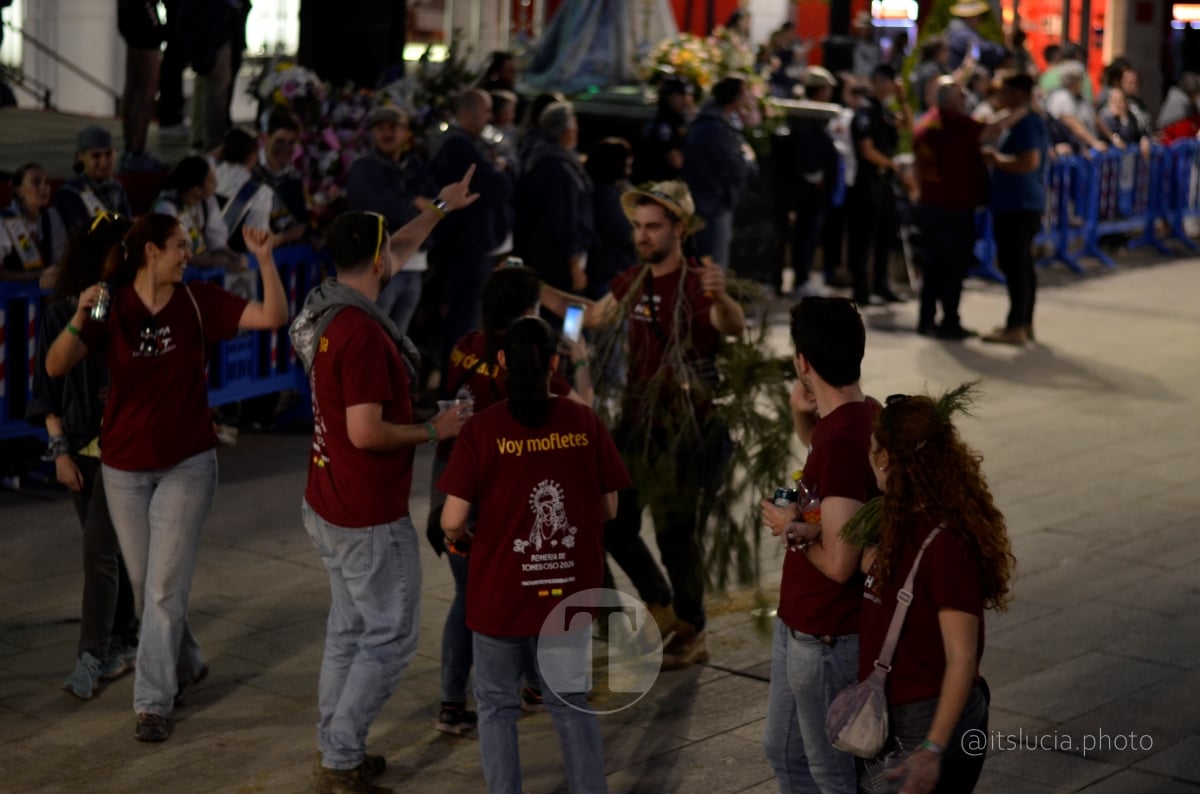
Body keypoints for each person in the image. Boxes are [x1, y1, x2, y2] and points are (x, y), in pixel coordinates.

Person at [44, 215, 287, 743]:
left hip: (187, 464)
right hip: (124, 468)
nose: (188, 254)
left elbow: (272, 316)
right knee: (146, 586)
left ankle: (152, 703)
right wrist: (80, 316)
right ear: (151, 251)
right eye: (180, 246)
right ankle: (190, 660)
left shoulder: (199, 299)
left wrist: (265, 260)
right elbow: (56, 366)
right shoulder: (112, 303)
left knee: (160, 590)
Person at [288, 167, 478, 794]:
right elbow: (366, 432)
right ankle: (341, 756)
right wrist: (436, 430)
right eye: (390, 250)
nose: (399, 253)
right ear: (376, 260)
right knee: (392, 638)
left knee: (348, 631)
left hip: (327, 501)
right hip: (365, 512)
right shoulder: (364, 335)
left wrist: (441, 210)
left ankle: (334, 745)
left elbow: (393, 245)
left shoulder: (324, 307)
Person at [540, 181, 746, 669]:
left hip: (685, 430)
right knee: (612, 522)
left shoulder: (698, 285)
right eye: (638, 226)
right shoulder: (632, 280)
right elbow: (590, 317)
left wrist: (723, 298)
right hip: (636, 425)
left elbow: (729, 323)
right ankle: (661, 604)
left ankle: (692, 629)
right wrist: (544, 300)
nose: (643, 235)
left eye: (653, 227)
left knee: (678, 535)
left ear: (680, 228)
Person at [439, 316, 629, 794]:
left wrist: (463, 538)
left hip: (501, 596)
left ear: (501, 363)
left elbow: (451, 520)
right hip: (567, 594)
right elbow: (609, 507)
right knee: (570, 703)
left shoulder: (482, 430)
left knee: (498, 708)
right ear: (553, 363)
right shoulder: (582, 419)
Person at [427, 263, 593, 736]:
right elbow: (584, 415)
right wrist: (577, 358)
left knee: (466, 594)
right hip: (497, 487)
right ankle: (538, 685)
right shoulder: (526, 355)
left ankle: (451, 703)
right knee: (526, 587)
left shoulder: (465, 344)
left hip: (450, 480)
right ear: (526, 311)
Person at [857, 387, 1014, 793]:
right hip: (898, 720)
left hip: (924, 727)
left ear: (886, 460)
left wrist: (931, 748)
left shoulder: (945, 545)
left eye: (873, 451)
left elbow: (962, 658)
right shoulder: (903, 519)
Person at [759, 296, 881, 794]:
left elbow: (838, 562)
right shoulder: (860, 415)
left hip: (827, 638)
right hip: (801, 626)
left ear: (802, 362)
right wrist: (799, 413)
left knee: (829, 773)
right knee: (783, 751)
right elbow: (826, 470)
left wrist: (789, 524)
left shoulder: (842, 444)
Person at [28, 213, 139, 701]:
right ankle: (125, 637)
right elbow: (46, 385)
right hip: (78, 447)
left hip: (122, 448)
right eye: (119, 247)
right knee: (108, 552)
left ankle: (92, 653)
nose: (127, 257)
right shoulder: (60, 311)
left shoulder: (133, 304)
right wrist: (59, 452)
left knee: (99, 553)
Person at [910, 79, 1012, 339]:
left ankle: (926, 319)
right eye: (960, 94)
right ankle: (949, 321)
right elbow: (991, 129)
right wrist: (1021, 109)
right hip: (952, 207)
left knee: (932, 267)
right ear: (950, 100)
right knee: (953, 267)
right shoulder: (953, 123)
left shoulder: (927, 121)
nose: (965, 98)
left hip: (931, 205)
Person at [429, 89, 517, 372]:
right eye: (485, 111)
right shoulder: (460, 148)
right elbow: (497, 188)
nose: (491, 117)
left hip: (470, 245)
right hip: (466, 247)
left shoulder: (467, 144)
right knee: (463, 321)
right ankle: (455, 385)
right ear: (467, 113)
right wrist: (500, 169)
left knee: (466, 318)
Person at [346, 105, 439, 337]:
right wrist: (417, 204)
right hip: (380, 270)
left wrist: (420, 204)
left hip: (415, 266)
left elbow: (438, 204)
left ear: (406, 132)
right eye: (380, 128)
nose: (387, 134)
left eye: (394, 127)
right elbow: (389, 210)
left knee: (399, 340)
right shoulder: (364, 168)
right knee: (374, 336)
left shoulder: (415, 165)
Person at [982, 73, 1048, 346]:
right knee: (1022, 265)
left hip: (1019, 204)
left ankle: (1016, 325)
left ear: (1019, 93)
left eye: (1005, 91)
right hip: (1021, 203)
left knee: (1015, 265)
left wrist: (996, 160)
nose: (1000, 97)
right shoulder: (1023, 120)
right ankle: (1024, 322)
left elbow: (1028, 161)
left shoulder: (1028, 125)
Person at [514, 101, 593, 295]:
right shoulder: (557, 168)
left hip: (544, 255)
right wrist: (574, 264)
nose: (576, 131)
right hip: (556, 262)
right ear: (565, 131)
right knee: (565, 316)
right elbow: (564, 219)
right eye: (574, 125)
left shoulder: (540, 155)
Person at [847, 65, 911, 305]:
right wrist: (891, 165)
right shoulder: (865, 111)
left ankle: (882, 285)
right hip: (868, 183)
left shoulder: (884, 110)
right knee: (864, 239)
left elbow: (907, 127)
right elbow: (866, 149)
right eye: (889, 81)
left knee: (886, 234)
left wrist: (903, 98)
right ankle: (861, 290)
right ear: (878, 81)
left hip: (885, 183)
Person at [682, 76, 756, 270]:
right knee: (711, 267)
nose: (747, 98)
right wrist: (749, 158)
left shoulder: (712, 122)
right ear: (735, 98)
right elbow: (736, 167)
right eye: (744, 94)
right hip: (711, 205)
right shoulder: (715, 127)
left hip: (706, 202)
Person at [789, 67, 840, 298]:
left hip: (815, 190)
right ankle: (801, 279)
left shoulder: (816, 114)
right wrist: (815, 177)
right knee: (805, 235)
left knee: (810, 235)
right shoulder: (807, 115)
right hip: (809, 191)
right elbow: (806, 152)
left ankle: (804, 276)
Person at [215, 127, 307, 252]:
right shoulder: (260, 193)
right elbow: (258, 242)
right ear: (252, 156)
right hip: (240, 265)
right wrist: (286, 236)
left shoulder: (209, 175)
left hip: (200, 259)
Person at [152, 155, 243, 271]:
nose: (216, 184)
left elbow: (216, 241)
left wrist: (233, 256)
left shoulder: (207, 201)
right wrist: (216, 262)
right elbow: (175, 253)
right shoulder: (166, 208)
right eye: (211, 180)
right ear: (197, 189)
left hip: (200, 265)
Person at [583, 137, 637, 300]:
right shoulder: (606, 196)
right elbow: (626, 231)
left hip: (610, 270)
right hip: (608, 272)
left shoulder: (610, 191)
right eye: (625, 157)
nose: (630, 161)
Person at [117, 0, 166, 173]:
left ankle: (131, 148)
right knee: (148, 88)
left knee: (133, 85)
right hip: (142, 18)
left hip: (129, 15)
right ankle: (136, 153)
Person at [56, 127, 133, 234]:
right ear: (81, 156)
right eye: (96, 156)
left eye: (109, 154)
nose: (104, 162)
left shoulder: (117, 187)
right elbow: (80, 236)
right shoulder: (70, 192)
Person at [1, 163, 68, 287]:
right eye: (36, 182)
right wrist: (38, 275)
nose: (44, 187)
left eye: (47, 183)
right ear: (18, 190)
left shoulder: (52, 217)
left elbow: (61, 259)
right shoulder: (4, 221)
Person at [254, 106, 312, 236]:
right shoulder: (249, 169)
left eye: (291, 143)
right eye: (279, 141)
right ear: (266, 138)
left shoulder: (295, 177)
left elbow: (301, 219)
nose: (286, 149)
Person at [1046, 61, 1116, 153]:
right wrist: (1094, 142)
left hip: (1086, 149)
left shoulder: (1080, 97)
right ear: (1073, 81)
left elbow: (1095, 118)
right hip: (1072, 152)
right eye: (1081, 79)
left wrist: (1112, 137)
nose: (1083, 82)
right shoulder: (1062, 96)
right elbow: (1072, 123)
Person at [634, 77, 693, 183]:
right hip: (659, 182)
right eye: (682, 95)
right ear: (669, 97)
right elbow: (675, 160)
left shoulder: (678, 119)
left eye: (687, 95)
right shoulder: (664, 123)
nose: (686, 99)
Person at [945, 1, 1007, 71]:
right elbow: (982, 49)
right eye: (978, 16)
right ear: (970, 16)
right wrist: (1001, 50)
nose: (980, 19)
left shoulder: (960, 29)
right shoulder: (962, 33)